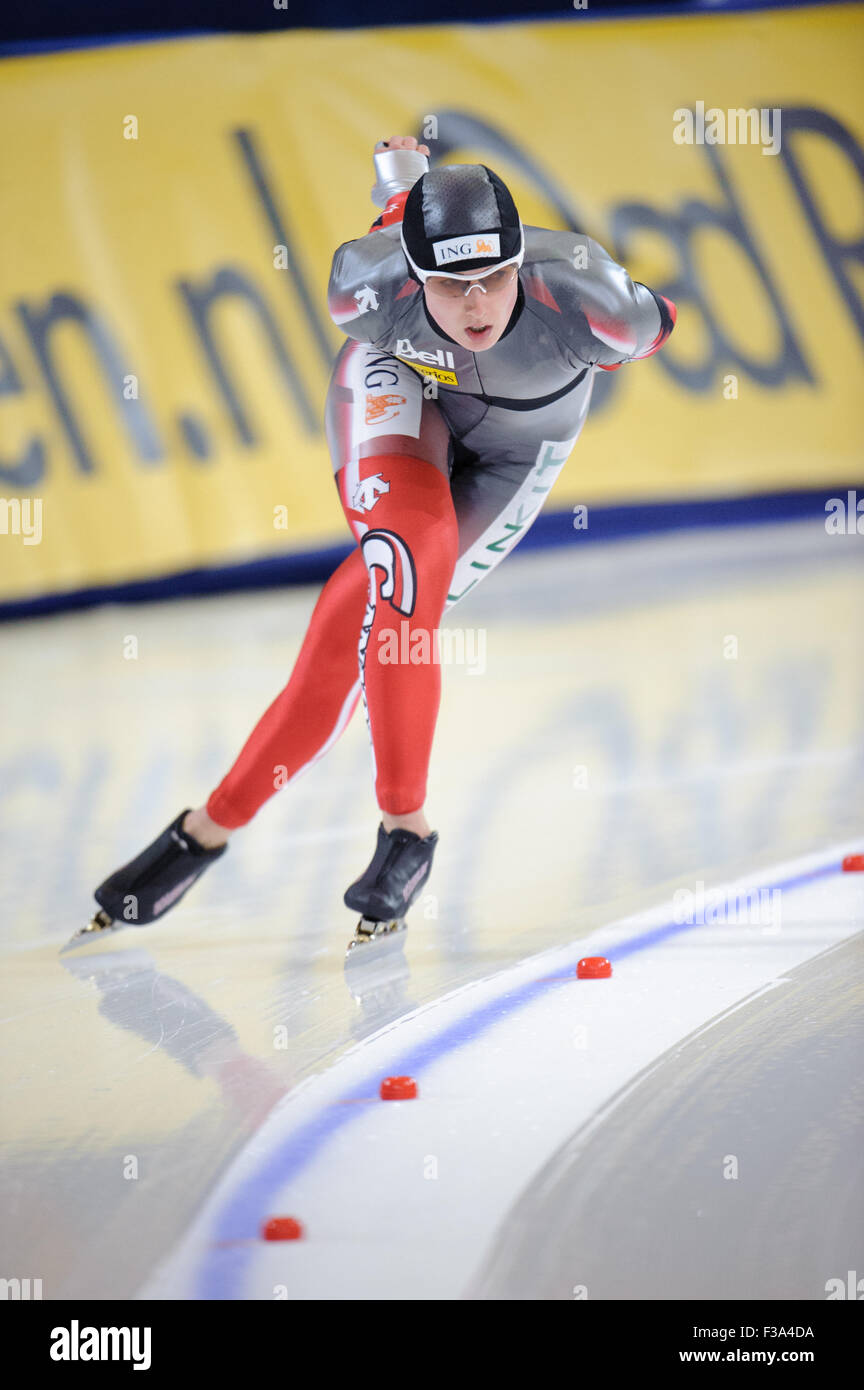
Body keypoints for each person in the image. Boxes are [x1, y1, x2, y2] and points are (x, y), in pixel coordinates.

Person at [78, 135, 676, 946]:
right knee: (402, 571)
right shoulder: (365, 291)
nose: (476, 306)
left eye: (495, 278)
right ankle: (408, 826)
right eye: (451, 284)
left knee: (352, 624)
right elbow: (399, 225)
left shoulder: (589, 300)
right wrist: (401, 187)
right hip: (403, 396)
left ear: (521, 263)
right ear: (414, 275)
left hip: (513, 456)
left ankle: (206, 828)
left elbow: (660, 320)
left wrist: (411, 188)